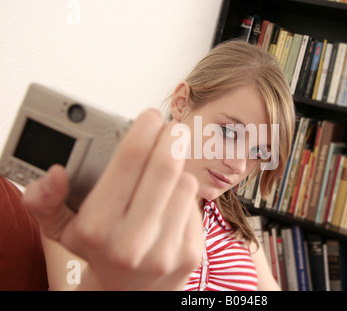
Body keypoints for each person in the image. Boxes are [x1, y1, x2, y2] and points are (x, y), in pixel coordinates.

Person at [22, 39, 296, 291]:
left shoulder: (233, 224)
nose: (238, 165)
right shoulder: (95, 199)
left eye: (259, 151)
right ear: (181, 103)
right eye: (229, 132)